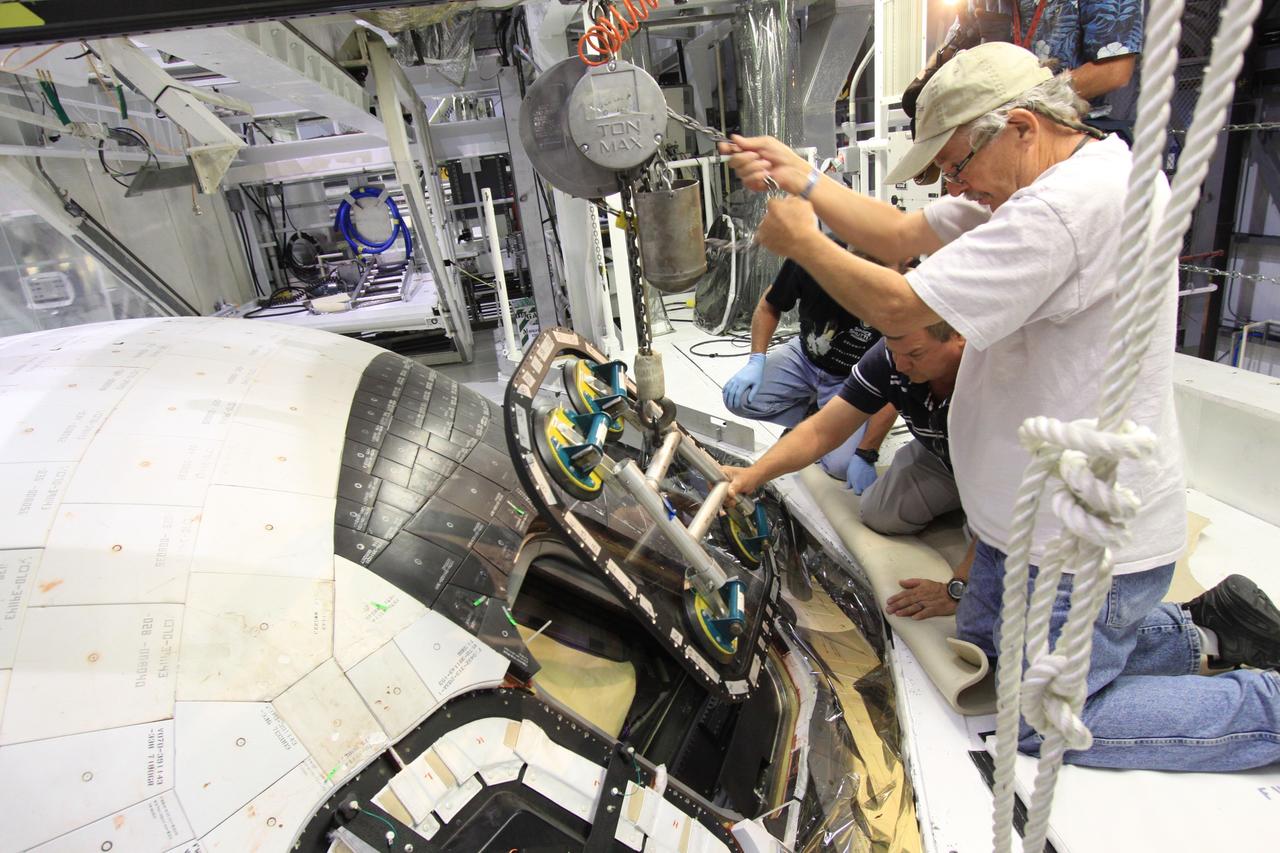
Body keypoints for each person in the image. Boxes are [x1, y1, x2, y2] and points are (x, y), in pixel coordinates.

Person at [719, 42, 1280, 771]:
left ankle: (1264, 709)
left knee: (1032, 722)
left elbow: (899, 300)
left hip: (1077, 545)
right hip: (1022, 526)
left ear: (1019, 126)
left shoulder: (1065, 209)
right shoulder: (1041, 176)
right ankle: (1197, 633)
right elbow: (897, 233)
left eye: (956, 166)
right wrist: (806, 179)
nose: (954, 186)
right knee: (980, 649)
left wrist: (805, 245)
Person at [722, 258, 897, 490]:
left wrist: (867, 452)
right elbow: (769, 305)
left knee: (841, 466)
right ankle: (817, 415)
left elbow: (897, 380)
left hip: (854, 379)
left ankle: (838, 417)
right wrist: (756, 360)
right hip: (805, 357)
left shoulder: (896, 275)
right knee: (740, 397)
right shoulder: (810, 255)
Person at [904, 0, 1144, 141]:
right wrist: (925, 82)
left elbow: (1114, 70)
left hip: (1070, 131)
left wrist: (1024, 101)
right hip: (1000, 132)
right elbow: (957, 38)